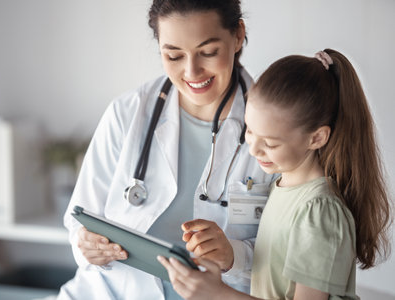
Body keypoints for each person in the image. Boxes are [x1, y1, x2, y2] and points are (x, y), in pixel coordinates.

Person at [57, 1, 276, 299]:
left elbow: (291, 255)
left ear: (238, 35)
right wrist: (87, 245)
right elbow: (79, 217)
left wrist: (233, 255)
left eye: (208, 52)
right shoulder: (129, 113)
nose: (191, 71)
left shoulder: (276, 127)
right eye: (173, 55)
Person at [158, 49, 393, 300]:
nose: (254, 148)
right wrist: (229, 254)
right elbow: (275, 267)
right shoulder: (282, 186)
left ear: (317, 138)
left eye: (270, 143)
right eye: (249, 130)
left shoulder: (318, 210)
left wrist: (217, 294)